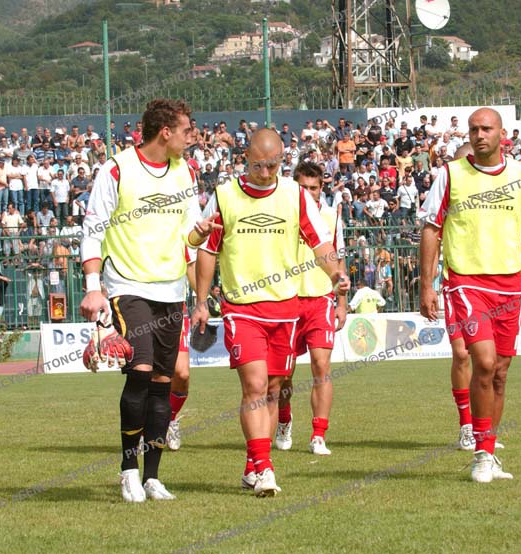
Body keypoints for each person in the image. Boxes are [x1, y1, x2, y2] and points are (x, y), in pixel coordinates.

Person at [193, 128, 350, 498]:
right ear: (246, 158)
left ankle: (252, 464)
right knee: (255, 386)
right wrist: (200, 301)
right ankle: (264, 468)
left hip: (285, 309)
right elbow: (206, 250)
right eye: (258, 166)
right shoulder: (224, 196)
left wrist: (335, 275)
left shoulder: (295, 196)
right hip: (242, 309)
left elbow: (320, 243)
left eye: (273, 166)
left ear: (282, 160)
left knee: (274, 389)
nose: (265, 173)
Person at [79, 98, 216, 504]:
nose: (192, 137)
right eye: (187, 130)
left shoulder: (185, 171)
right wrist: (93, 286)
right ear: (165, 132)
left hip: (171, 290)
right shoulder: (117, 169)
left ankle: (152, 477)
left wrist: (200, 233)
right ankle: (128, 471)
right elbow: (93, 229)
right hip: (128, 286)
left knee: (161, 383)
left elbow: (188, 235)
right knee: (139, 371)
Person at [419, 108, 521, 483]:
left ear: (501, 134)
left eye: (486, 128)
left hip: (509, 285)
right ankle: (478, 453)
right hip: (465, 282)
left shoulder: (520, 174)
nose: (479, 135)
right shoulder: (451, 174)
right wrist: (426, 284)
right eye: (474, 129)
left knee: (500, 374)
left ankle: (488, 452)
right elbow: (431, 229)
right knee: (485, 363)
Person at [274, 161, 348, 456]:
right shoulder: (282, 214)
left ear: (321, 188)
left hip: (320, 300)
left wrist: (341, 303)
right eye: (302, 187)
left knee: (322, 367)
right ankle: (284, 419)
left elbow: (339, 258)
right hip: (287, 300)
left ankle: (318, 434)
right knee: (284, 375)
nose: (307, 192)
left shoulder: (331, 216)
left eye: (313, 188)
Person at [165, 247, 198, 451]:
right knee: (147, 373)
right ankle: (143, 431)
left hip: (176, 309)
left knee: (182, 374)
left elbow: (190, 267)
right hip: (144, 306)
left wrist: (202, 299)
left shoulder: (176, 234)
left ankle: (170, 419)